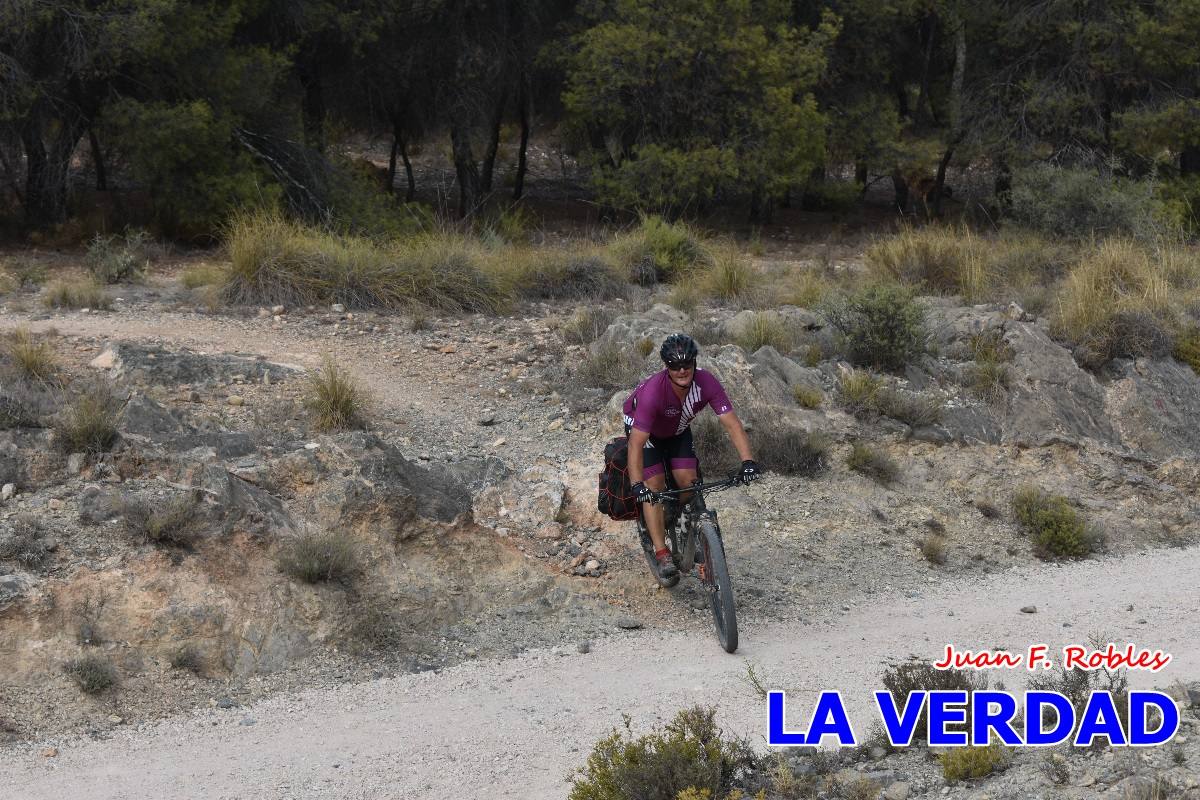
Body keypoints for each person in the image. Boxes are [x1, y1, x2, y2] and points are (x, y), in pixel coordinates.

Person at [622, 333, 760, 580]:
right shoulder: (654, 392)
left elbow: (732, 424)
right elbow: (635, 445)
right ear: (667, 366)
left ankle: (679, 518)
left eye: (687, 364)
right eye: (675, 365)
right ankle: (662, 552)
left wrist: (748, 462)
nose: (682, 370)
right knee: (654, 486)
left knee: (688, 481)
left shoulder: (706, 383)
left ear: (695, 362)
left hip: (676, 429)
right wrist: (637, 485)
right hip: (645, 432)